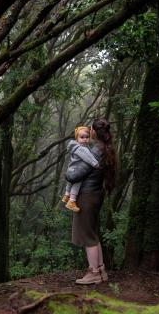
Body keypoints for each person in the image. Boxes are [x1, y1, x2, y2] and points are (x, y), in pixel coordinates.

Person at [65, 118, 116, 285]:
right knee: (93, 233)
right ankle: (100, 269)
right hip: (95, 194)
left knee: (88, 236)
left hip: (87, 196)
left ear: (94, 132)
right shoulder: (105, 148)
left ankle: (93, 272)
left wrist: (68, 174)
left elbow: (76, 174)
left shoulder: (95, 151)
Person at [62, 126, 100, 213]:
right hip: (77, 170)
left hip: (71, 169)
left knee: (71, 182)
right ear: (77, 138)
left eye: (87, 137)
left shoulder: (74, 146)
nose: (85, 139)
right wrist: (96, 164)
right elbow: (88, 157)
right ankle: (72, 201)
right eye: (82, 137)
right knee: (78, 181)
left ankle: (66, 195)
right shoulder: (81, 149)